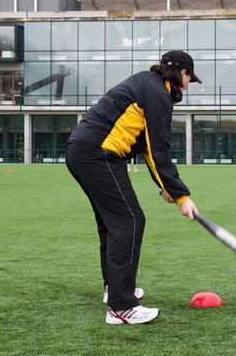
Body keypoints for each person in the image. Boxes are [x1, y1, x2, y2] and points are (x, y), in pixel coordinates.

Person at [66, 50, 200, 325]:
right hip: (99, 153)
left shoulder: (146, 84)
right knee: (129, 220)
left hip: (82, 151)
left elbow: (145, 147)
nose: (188, 85)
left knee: (111, 223)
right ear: (182, 74)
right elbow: (159, 148)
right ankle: (121, 306)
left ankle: (114, 290)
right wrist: (182, 196)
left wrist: (169, 189)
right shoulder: (158, 94)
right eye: (189, 78)